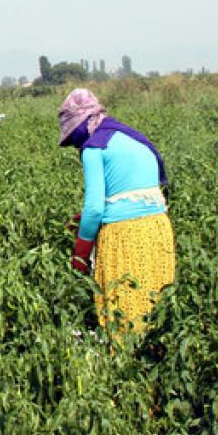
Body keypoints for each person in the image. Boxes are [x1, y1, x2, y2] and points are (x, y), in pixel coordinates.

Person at [58, 88, 174, 333]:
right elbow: (130, 192)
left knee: (124, 308)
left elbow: (94, 208)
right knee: (153, 302)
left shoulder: (93, 148)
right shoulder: (129, 137)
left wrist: (80, 253)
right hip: (158, 228)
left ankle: (121, 361)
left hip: (125, 234)